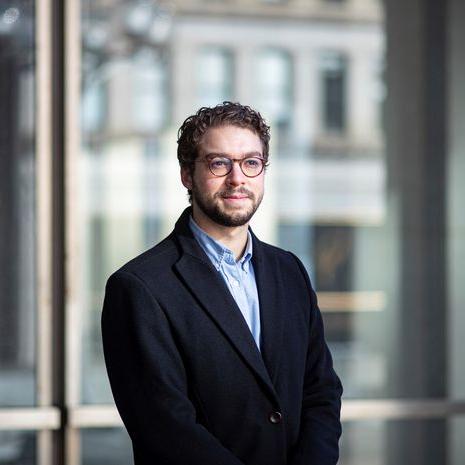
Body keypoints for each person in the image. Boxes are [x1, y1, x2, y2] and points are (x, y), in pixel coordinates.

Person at [101, 101, 343, 465]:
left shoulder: (289, 271)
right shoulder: (140, 287)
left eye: (251, 163)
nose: (237, 179)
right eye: (218, 163)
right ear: (187, 174)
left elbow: (321, 392)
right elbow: (165, 427)